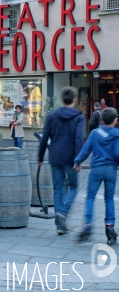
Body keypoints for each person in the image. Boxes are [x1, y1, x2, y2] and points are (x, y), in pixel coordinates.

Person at [38, 86, 85, 234]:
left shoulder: (52, 116)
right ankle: (63, 212)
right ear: (75, 100)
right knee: (73, 186)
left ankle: (60, 225)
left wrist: (40, 157)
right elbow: (78, 138)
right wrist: (79, 159)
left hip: (55, 156)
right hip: (70, 157)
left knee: (57, 188)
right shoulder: (79, 116)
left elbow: (44, 138)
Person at [75, 108, 119, 243]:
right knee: (109, 199)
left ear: (102, 120)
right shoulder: (117, 134)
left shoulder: (94, 133)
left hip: (96, 169)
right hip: (111, 169)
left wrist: (77, 161)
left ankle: (88, 224)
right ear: (115, 120)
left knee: (90, 197)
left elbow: (85, 149)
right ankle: (110, 226)